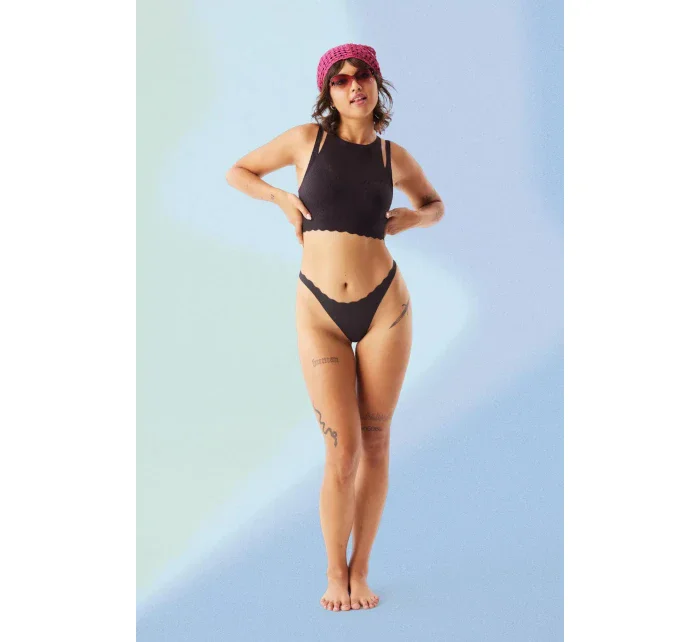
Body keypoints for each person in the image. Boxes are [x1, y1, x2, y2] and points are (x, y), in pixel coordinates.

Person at [226, 43, 445, 612]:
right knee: (341, 451)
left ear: (376, 84)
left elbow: (435, 204)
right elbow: (238, 171)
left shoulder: (395, 157)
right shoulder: (306, 141)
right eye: (341, 79)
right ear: (329, 91)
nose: (354, 86)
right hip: (319, 310)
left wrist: (415, 217)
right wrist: (279, 197)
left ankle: (361, 569)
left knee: (376, 441)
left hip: (384, 307)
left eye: (362, 75)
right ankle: (333, 571)